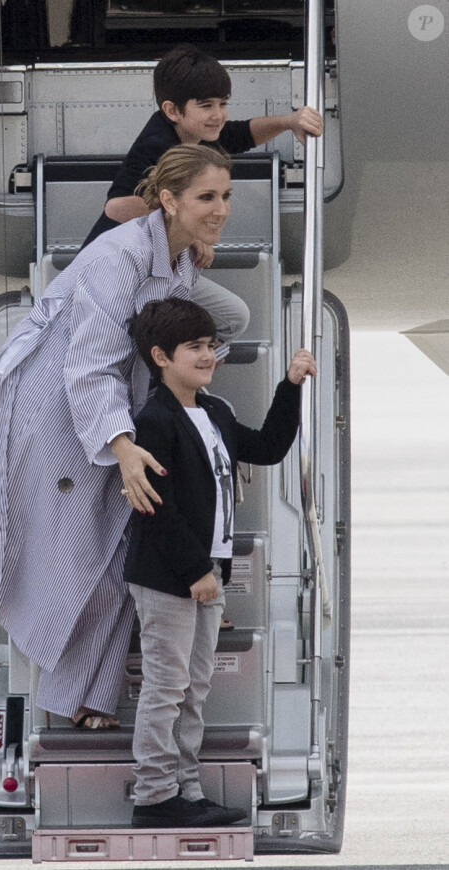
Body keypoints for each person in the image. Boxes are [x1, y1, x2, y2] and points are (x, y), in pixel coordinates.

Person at [0, 144, 237, 730]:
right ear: (168, 199)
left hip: (101, 400)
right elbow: (88, 365)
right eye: (205, 198)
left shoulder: (177, 254)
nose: (220, 209)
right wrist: (120, 446)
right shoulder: (120, 260)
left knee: (112, 551)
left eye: (225, 197)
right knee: (78, 552)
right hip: (53, 399)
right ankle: (78, 698)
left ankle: (86, 698)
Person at [124, 297, 316, 827]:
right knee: (167, 688)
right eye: (195, 348)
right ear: (161, 356)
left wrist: (291, 386)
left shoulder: (213, 411)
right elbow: (156, 511)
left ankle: (184, 790)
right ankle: (154, 795)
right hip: (170, 576)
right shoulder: (154, 419)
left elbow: (269, 447)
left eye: (211, 346)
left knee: (194, 686)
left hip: (203, 572)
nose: (208, 356)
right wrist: (196, 573)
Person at [81, 43, 323, 341]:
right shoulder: (157, 145)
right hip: (117, 269)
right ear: (172, 110)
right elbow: (117, 207)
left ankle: (183, 373)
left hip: (159, 266)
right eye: (207, 105)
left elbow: (242, 133)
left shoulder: (197, 133)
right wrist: (190, 235)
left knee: (231, 318)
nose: (218, 115)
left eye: (223, 104)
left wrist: (289, 121)